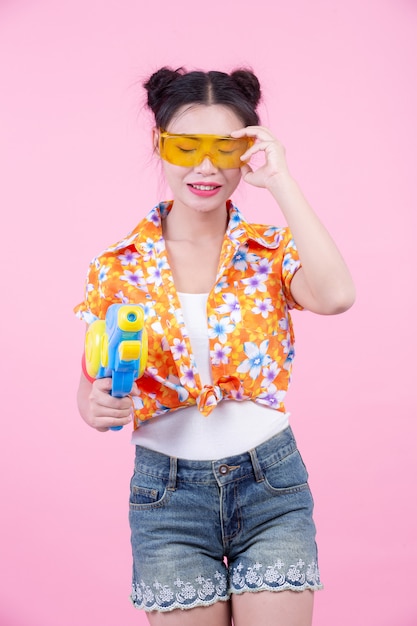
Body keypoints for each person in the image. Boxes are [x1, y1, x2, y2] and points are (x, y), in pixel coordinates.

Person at [75, 67, 355, 626]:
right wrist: (95, 405)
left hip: (270, 484)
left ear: (247, 151)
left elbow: (337, 295)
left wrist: (280, 181)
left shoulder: (269, 250)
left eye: (225, 148)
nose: (205, 167)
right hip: (167, 497)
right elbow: (90, 386)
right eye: (186, 147)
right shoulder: (116, 266)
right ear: (159, 144)